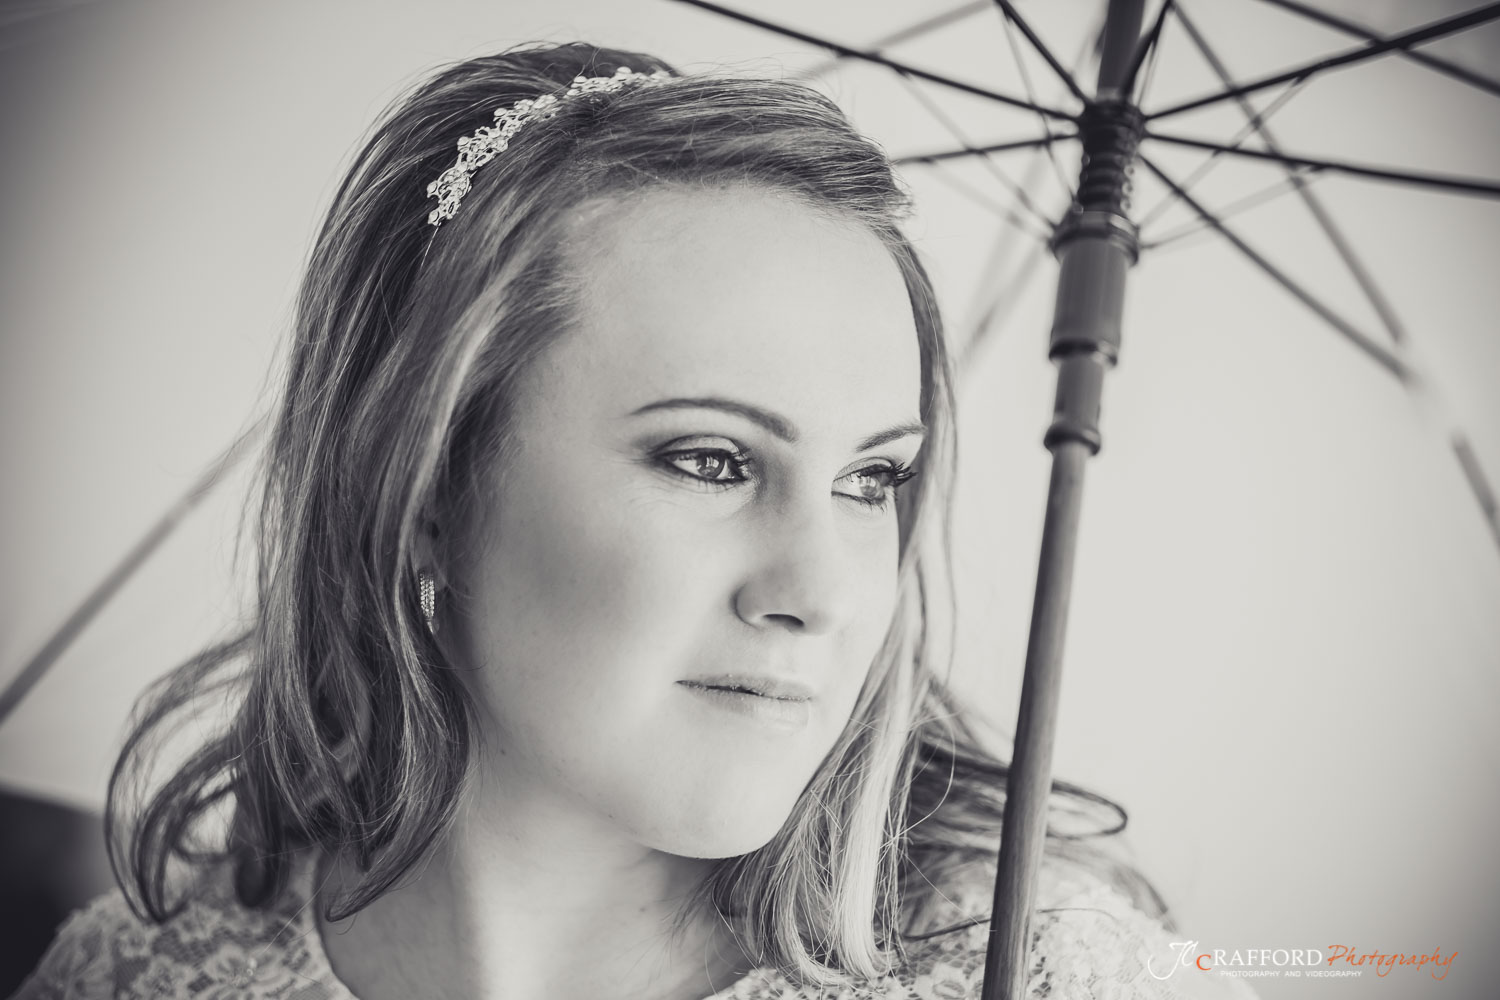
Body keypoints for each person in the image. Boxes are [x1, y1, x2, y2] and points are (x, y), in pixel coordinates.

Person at [13, 42, 1256, 1000]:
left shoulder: (1047, 972)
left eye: (873, 478)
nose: (822, 591)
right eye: (712, 460)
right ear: (429, 489)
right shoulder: (130, 976)